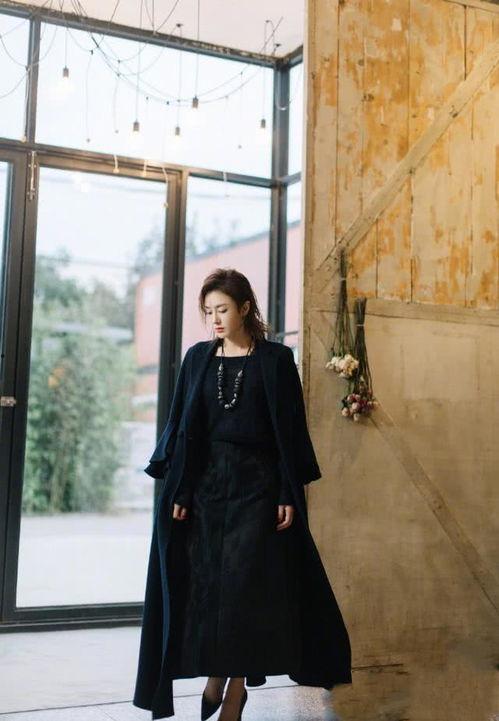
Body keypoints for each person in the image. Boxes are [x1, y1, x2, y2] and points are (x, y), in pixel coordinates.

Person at [132, 268, 352, 721]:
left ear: (245, 308)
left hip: (257, 488)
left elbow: (289, 433)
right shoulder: (197, 358)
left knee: (243, 592)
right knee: (207, 592)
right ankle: (216, 673)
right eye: (208, 311)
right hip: (207, 489)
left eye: (223, 309)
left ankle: (234, 687)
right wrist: (182, 489)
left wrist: (287, 491)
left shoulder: (275, 359)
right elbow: (184, 427)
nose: (214, 319)